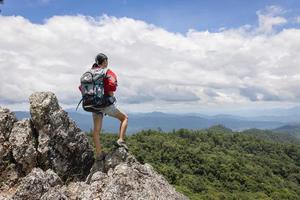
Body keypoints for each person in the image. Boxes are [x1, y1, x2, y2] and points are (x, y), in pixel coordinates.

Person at [91, 53, 128, 160]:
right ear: (105, 61)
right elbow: (111, 89)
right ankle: (120, 140)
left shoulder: (91, 72)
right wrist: (111, 98)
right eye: (106, 61)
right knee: (124, 118)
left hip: (93, 104)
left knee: (96, 131)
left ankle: (99, 154)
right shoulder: (106, 72)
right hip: (105, 103)